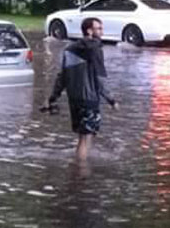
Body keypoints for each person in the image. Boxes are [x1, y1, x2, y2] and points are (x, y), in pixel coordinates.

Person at [46, 17, 118, 160]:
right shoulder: (95, 48)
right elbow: (100, 77)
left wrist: (53, 96)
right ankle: (81, 173)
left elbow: (62, 76)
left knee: (83, 137)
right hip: (89, 98)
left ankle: (79, 169)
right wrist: (111, 100)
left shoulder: (70, 49)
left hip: (74, 100)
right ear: (89, 31)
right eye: (99, 29)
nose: (101, 32)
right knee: (85, 139)